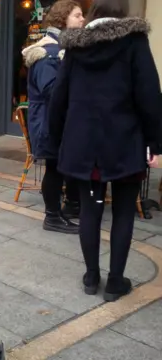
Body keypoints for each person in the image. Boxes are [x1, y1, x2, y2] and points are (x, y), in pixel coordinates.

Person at [49, 0, 162, 302]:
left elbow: (60, 95)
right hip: (125, 141)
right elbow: (149, 93)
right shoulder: (135, 41)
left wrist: (57, 139)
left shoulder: (76, 46)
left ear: (94, 14)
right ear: (124, 13)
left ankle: (90, 277)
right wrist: (155, 142)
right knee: (124, 211)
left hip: (84, 144)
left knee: (90, 210)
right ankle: (115, 282)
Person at [21, 0, 85, 234]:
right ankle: (53, 216)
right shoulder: (48, 53)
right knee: (55, 166)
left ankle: (69, 207)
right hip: (49, 120)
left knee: (62, 165)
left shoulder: (62, 49)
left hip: (58, 119)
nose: (82, 19)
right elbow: (52, 90)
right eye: (77, 15)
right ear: (63, 18)